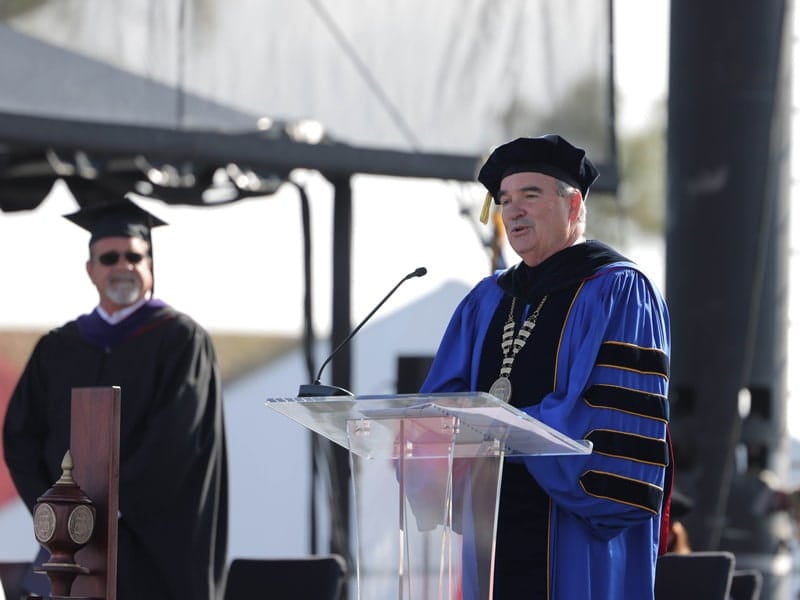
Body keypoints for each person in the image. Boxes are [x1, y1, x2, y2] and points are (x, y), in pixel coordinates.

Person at [419, 134, 671, 599]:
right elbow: (439, 404)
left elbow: (608, 427)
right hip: (491, 524)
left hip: (576, 531)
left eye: (529, 196)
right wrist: (430, 450)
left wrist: (501, 432)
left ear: (573, 204)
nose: (512, 211)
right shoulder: (486, 300)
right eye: (505, 199)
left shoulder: (618, 291)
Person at [2, 190, 228, 600]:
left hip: (154, 545)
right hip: (70, 545)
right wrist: (56, 514)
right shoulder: (59, 347)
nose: (123, 266)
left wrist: (109, 507)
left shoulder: (181, 340)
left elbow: (177, 438)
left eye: (134, 257)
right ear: (90, 270)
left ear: (151, 267)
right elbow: (20, 435)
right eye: (110, 258)